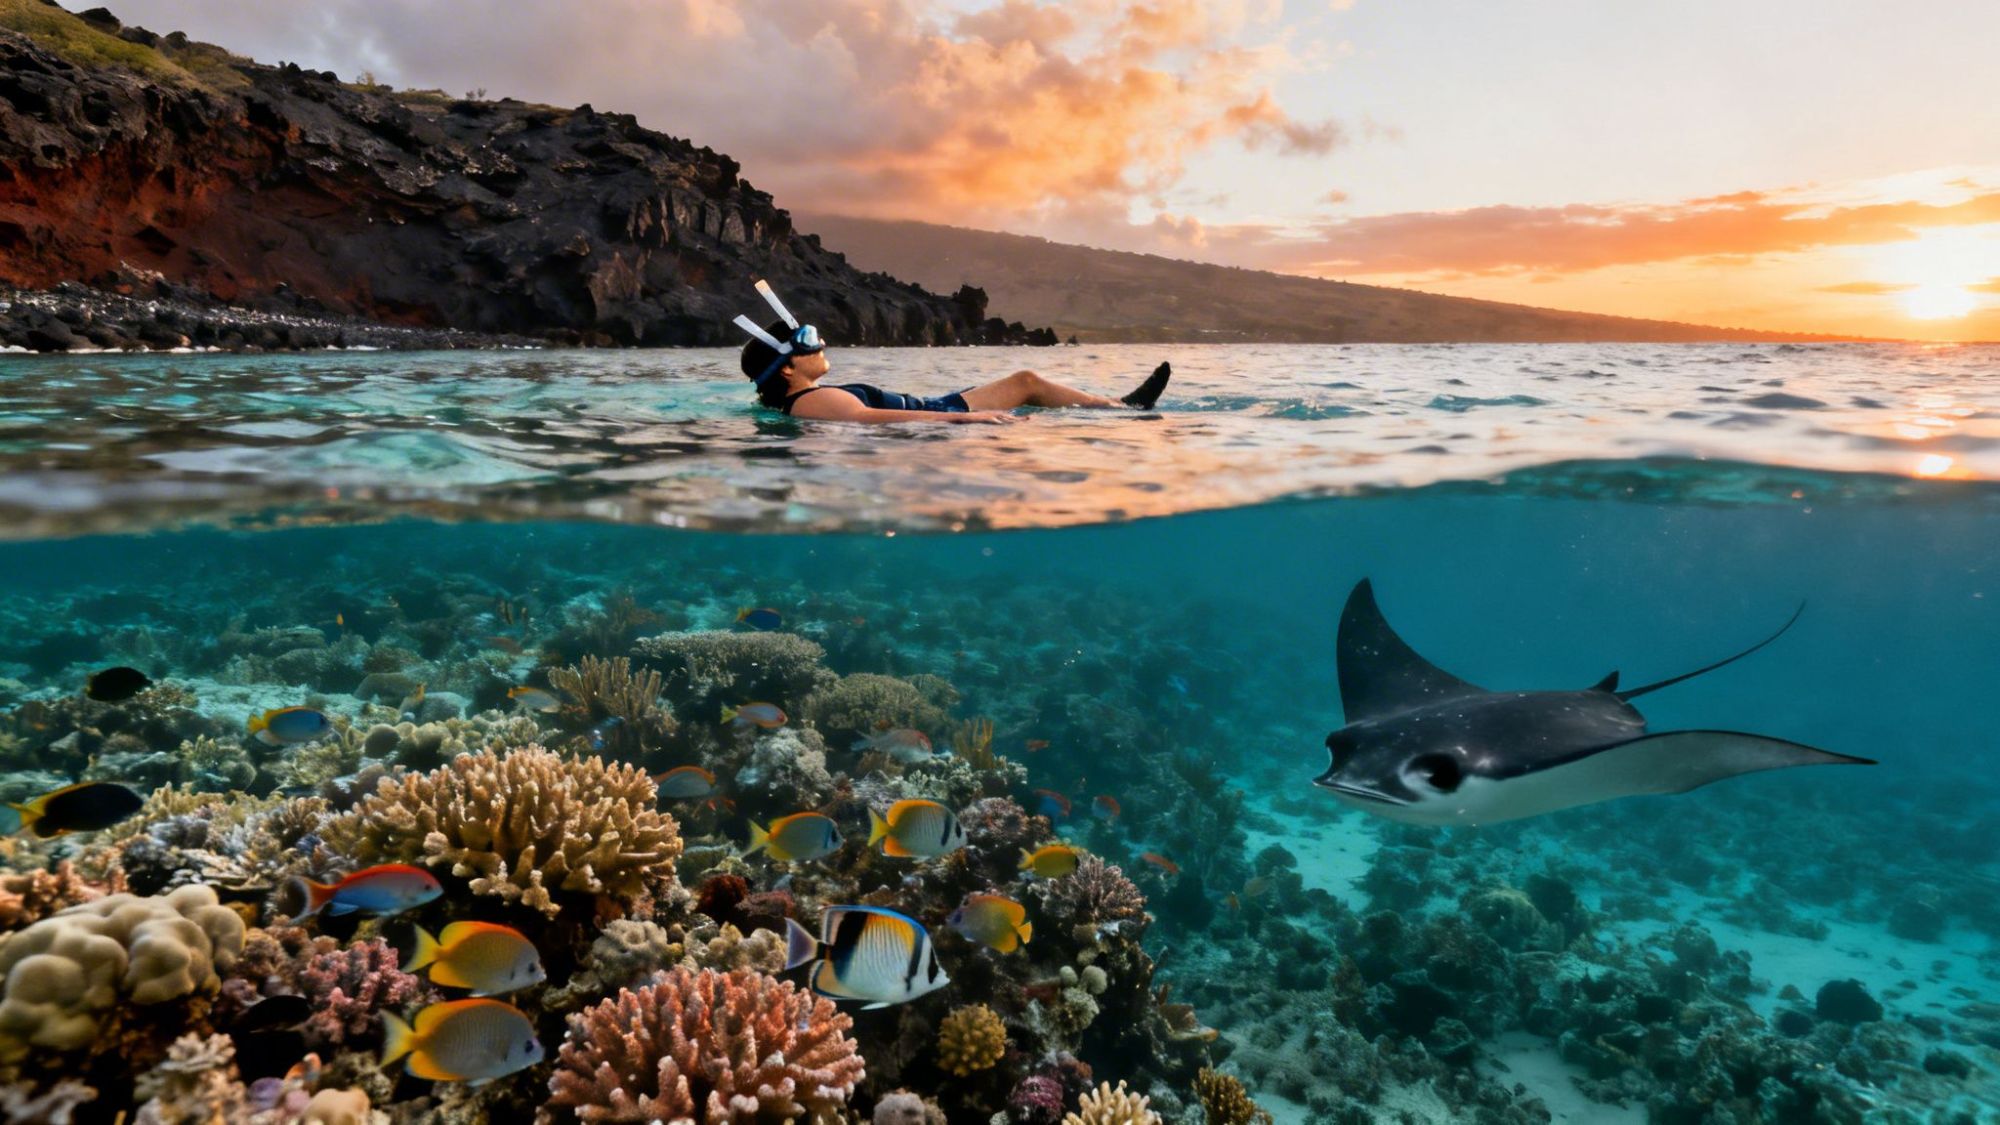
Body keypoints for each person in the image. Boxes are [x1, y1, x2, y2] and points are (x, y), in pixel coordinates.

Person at [734, 281, 1170, 425]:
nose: (821, 342)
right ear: (788, 367)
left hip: (939, 406)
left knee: (1026, 382)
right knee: (1026, 386)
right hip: (941, 413)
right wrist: (967, 420)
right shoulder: (812, 399)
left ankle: (1120, 406)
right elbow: (872, 420)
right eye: (808, 340)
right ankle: (1124, 408)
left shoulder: (804, 399)